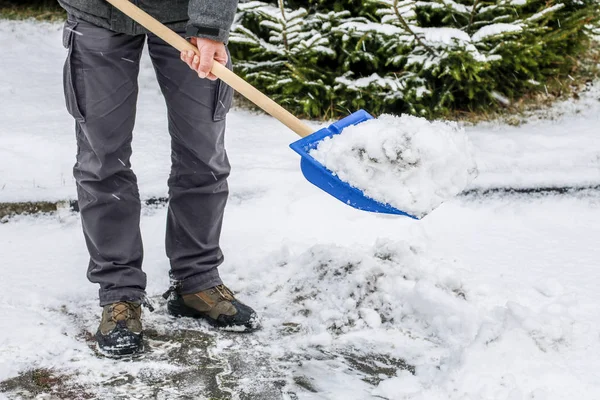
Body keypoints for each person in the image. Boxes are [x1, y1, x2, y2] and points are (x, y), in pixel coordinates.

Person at [57, 0, 258, 357]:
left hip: (187, 16)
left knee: (203, 155)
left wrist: (210, 26)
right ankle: (119, 294)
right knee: (102, 160)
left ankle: (196, 282)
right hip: (99, 14)